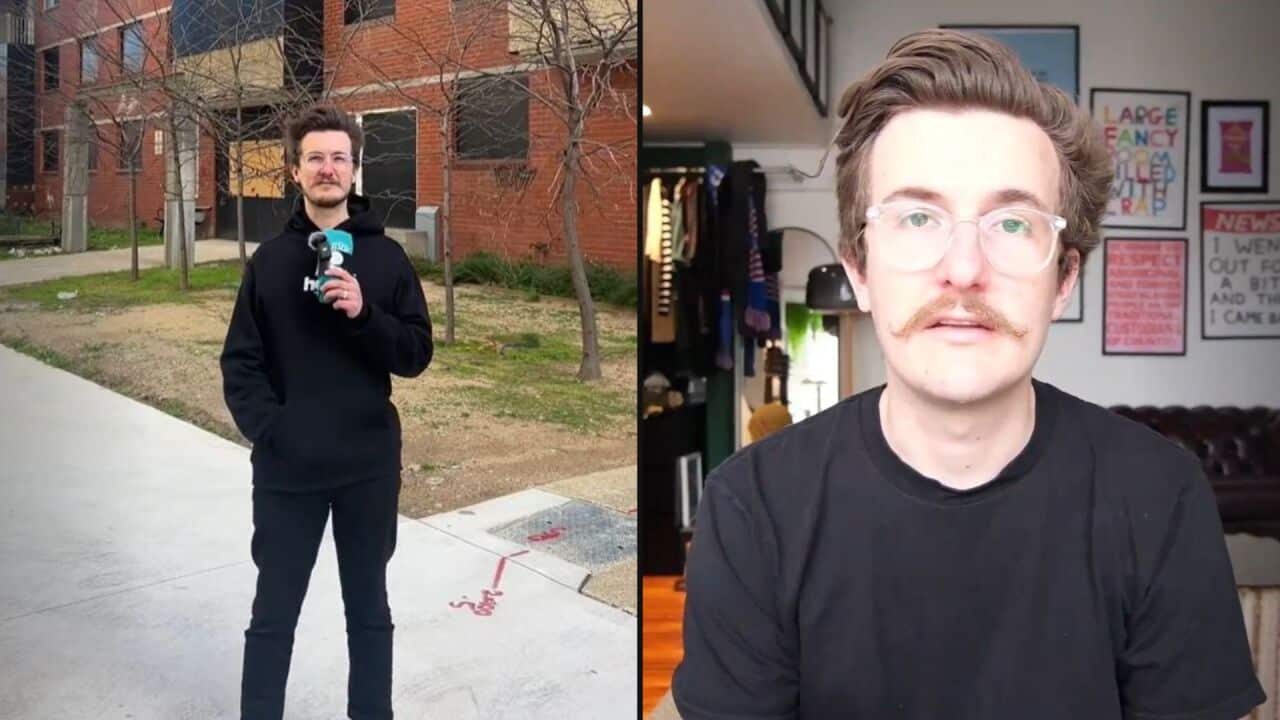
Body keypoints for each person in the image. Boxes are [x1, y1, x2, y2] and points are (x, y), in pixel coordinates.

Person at [671, 30, 1265, 719]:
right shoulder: (752, 507)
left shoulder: (1162, 497)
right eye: (918, 216)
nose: (963, 267)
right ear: (859, 270)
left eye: (1012, 224)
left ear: (1064, 279)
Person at [220, 104, 433, 720]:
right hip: (289, 472)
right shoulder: (268, 263)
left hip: (366, 467)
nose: (327, 168)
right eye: (315, 157)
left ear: (355, 170)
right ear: (295, 170)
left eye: (339, 157)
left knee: (369, 612)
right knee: (273, 615)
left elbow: (416, 353)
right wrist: (272, 432)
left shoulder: (387, 259)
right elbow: (241, 364)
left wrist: (367, 314)